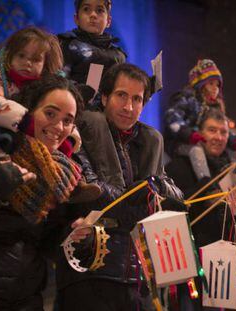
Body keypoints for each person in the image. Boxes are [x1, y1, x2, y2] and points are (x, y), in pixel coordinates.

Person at [0, 75, 100, 309]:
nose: (58, 127)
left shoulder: (58, 171)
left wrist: (74, 238)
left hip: (28, 297)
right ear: (28, 110)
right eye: (50, 114)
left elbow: (45, 241)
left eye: (67, 120)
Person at [55, 63, 183, 311]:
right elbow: (89, 192)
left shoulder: (150, 141)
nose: (129, 107)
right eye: (121, 95)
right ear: (104, 97)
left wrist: (155, 190)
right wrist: (142, 198)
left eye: (137, 99)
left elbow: (175, 197)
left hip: (137, 275)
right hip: (89, 271)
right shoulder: (82, 132)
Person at [0, 26, 101, 202]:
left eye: (35, 59)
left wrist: (70, 140)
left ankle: (73, 183)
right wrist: (27, 121)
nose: (27, 63)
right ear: (10, 55)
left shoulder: (44, 85)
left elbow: (63, 116)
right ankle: (0, 165)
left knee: (55, 145)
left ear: (45, 63)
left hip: (23, 131)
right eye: (21, 56)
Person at [166, 108, 235, 311]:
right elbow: (171, 206)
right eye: (212, 130)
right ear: (199, 133)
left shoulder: (228, 170)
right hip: (188, 268)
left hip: (221, 266)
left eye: (223, 132)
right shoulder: (179, 165)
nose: (218, 137)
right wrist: (203, 197)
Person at [58, 0, 126, 88]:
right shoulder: (65, 44)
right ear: (76, 18)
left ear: (108, 21)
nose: (93, 15)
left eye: (100, 10)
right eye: (86, 9)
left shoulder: (118, 55)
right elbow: (58, 82)